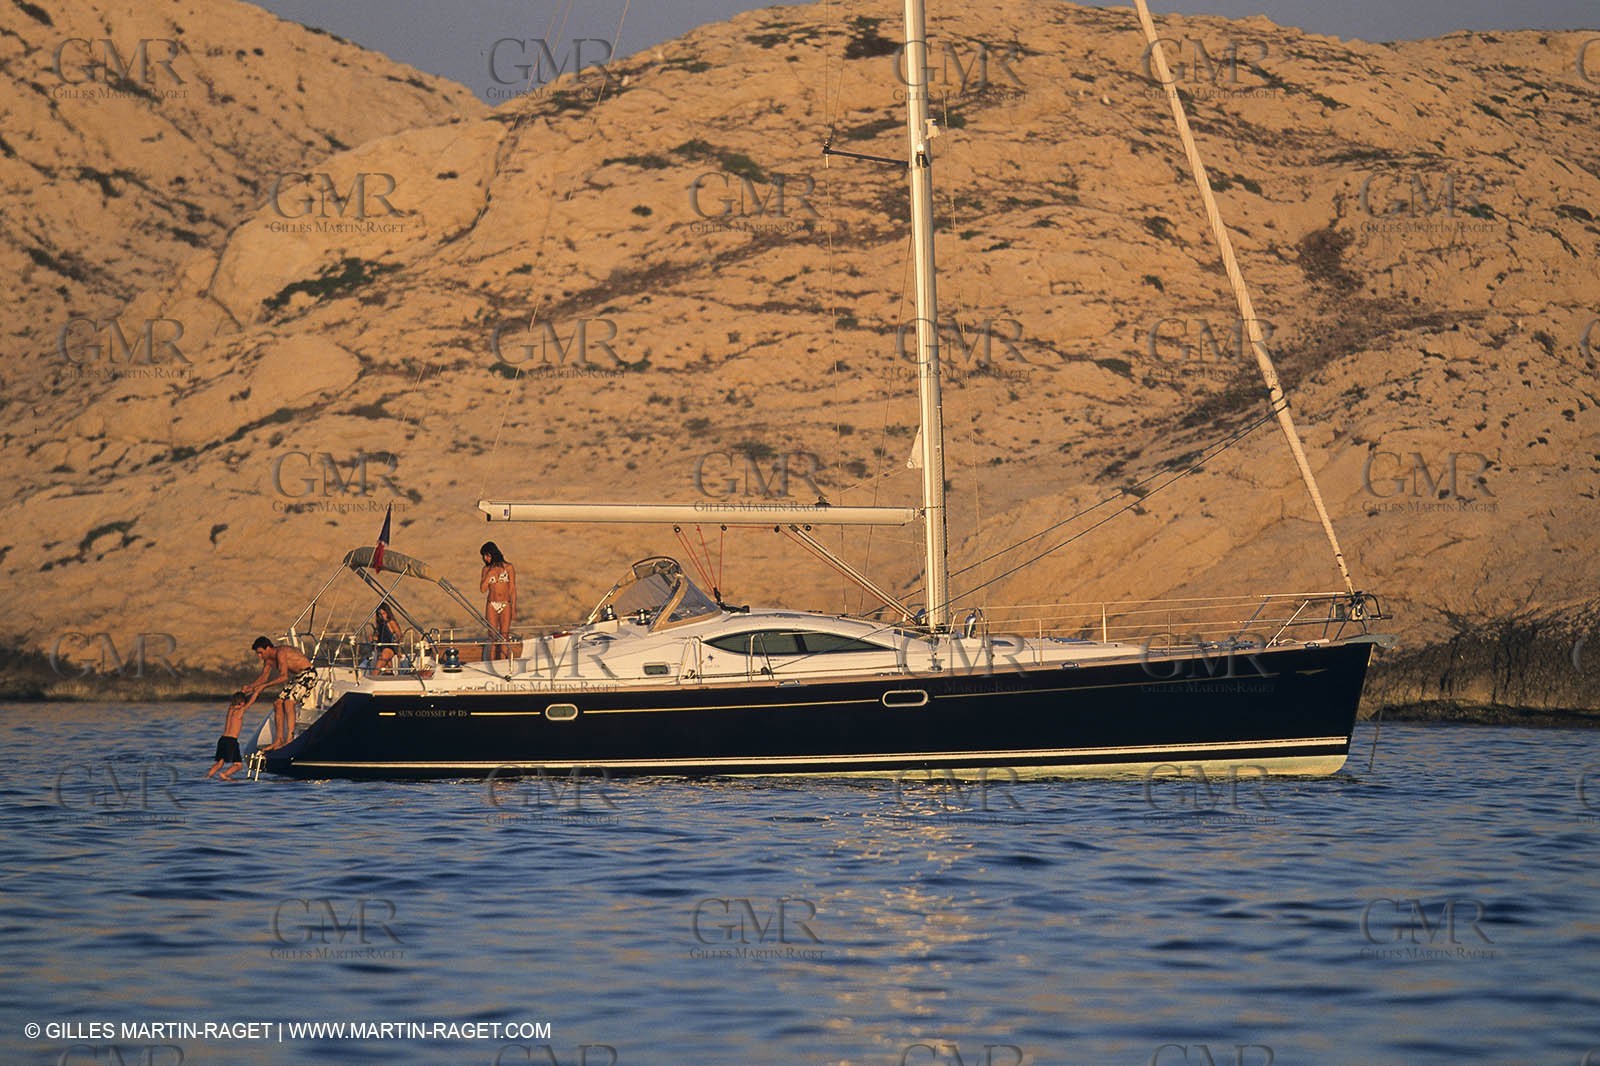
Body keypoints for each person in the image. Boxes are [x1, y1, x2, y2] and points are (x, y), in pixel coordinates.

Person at [243, 636, 315, 751]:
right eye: (258, 654)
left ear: (268, 648)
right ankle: (278, 740)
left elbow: (284, 676)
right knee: (277, 703)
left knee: (288, 702)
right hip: (297, 677)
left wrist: (264, 687)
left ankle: (289, 739)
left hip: (308, 674)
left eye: (261, 653)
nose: (259, 656)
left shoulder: (280, 652)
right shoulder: (268, 659)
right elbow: (263, 677)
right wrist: (251, 687)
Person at [479, 540, 517, 661]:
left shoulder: (509, 568)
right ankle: (491, 662)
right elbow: (482, 589)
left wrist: (513, 608)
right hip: (492, 604)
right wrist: (489, 575)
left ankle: (503, 662)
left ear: (493, 554)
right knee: (492, 636)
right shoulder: (486, 570)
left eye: (487, 555)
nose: (485, 558)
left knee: (504, 636)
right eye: (484, 556)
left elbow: (512, 590)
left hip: (506, 604)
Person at [206, 691, 249, 779]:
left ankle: (208, 776)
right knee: (238, 765)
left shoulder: (230, 708)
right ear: (242, 703)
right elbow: (252, 700)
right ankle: (225, 774)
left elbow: (238, 698)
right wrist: (258, 690)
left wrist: (244, 692)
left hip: (222, 739)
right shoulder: (240, 711)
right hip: (231, 740)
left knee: (220, 763)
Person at [369, 602, 399, 676]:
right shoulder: (380, 624)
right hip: (382, 647)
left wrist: (398, 647)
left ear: (387, 612)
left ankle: (371, 680)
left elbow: (399, 634)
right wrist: (374, 637)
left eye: (384, 613)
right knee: (388, 670)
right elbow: (380, 636)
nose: (382, 616)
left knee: (376, 669)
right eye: (380, 614)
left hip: (389, 647)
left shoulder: (391, 622)